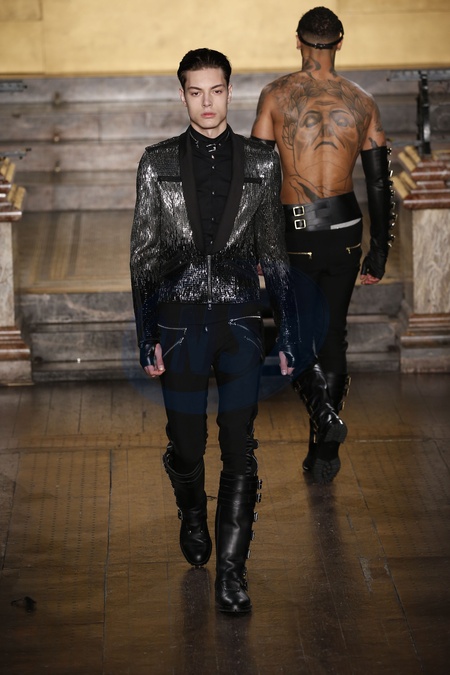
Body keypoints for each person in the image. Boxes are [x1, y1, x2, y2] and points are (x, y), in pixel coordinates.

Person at [130, 48, 304, 614]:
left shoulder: (262, 161)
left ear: (230, 91)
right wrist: (146, 334)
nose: (207, 102)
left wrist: (289, 332)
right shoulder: (156, 163)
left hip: (241, 321)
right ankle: (190, 510)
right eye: (196, 92)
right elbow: (143, 256)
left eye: (217, 90)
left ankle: (232, 572)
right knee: (186, 444)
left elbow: (275, 253)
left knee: (239, 443)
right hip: (179, 321)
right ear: (183, 95)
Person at [251, 6, 395, 484]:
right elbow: (380, 183)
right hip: (347, 229)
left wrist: (256, 247)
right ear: (340, 43)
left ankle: (326, 420)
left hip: (296, 233)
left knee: (295, 336)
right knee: (333, 336)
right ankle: (324, 451)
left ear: (298, 41)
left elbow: (257, 178)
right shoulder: (363, 101)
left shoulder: (276, 96)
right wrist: (380, 250)